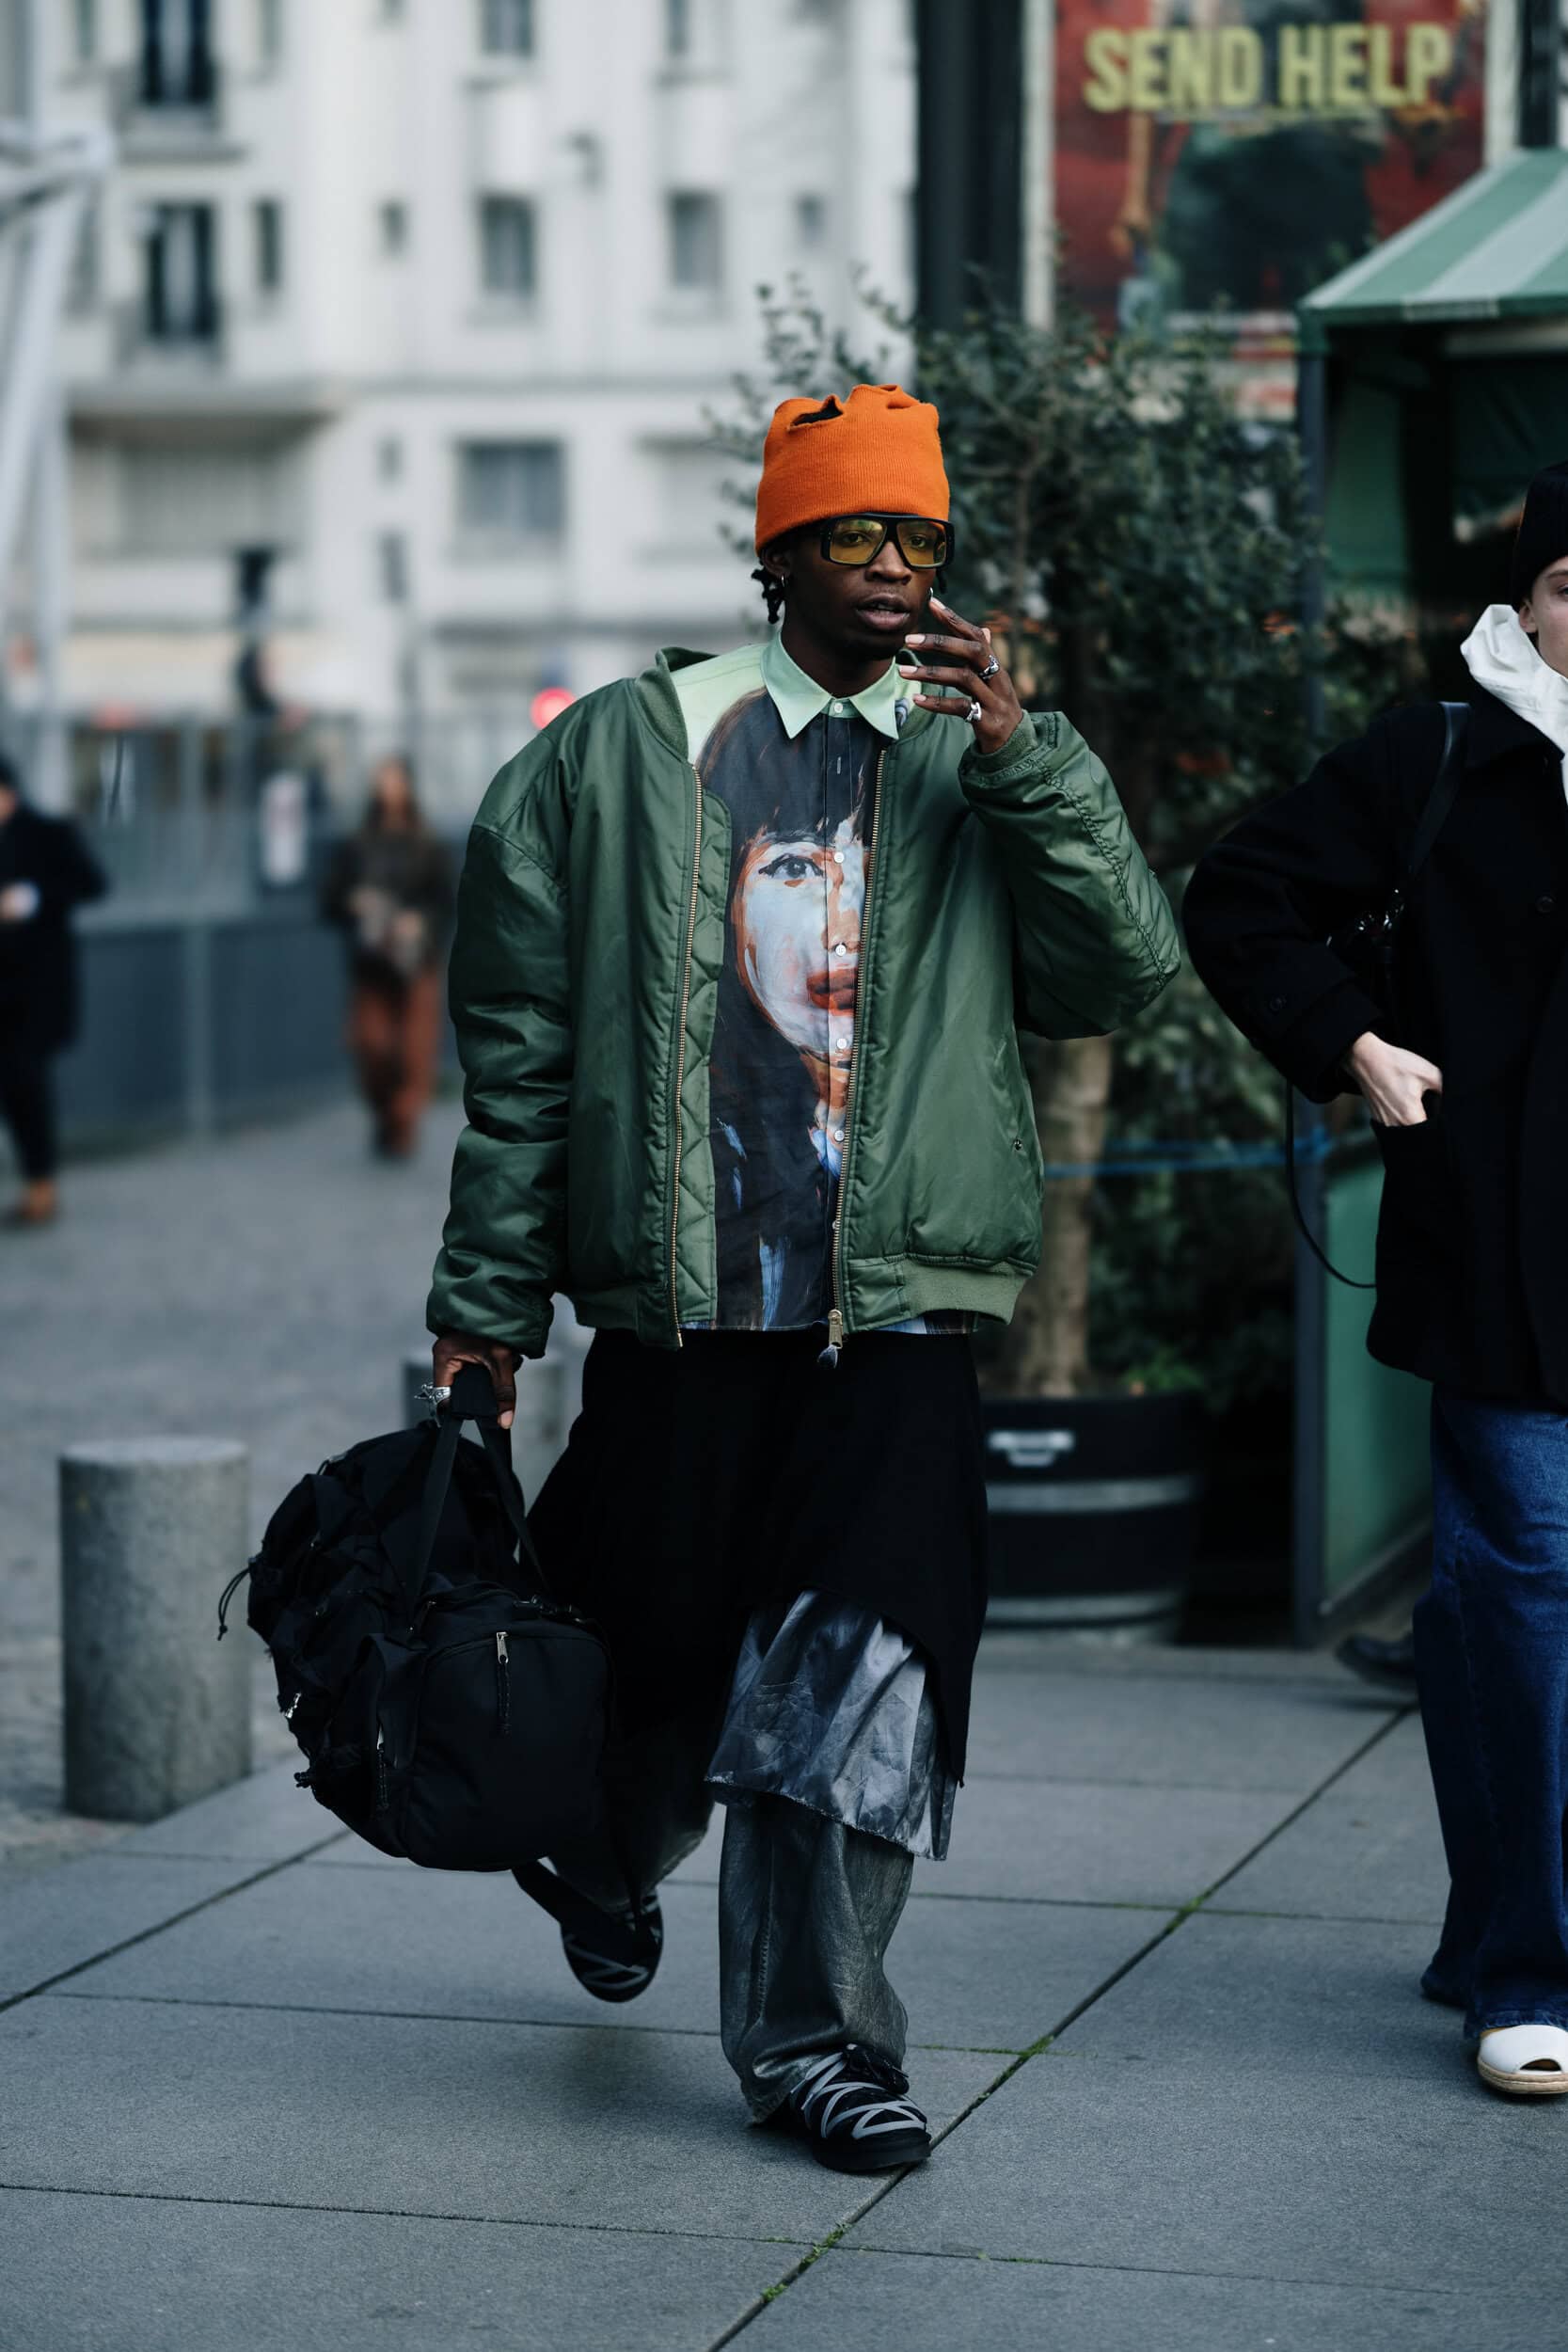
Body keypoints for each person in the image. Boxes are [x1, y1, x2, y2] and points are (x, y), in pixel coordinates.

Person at [428, 382, 1180, 2169]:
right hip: (684, 1311)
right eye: (857, 534)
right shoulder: (617, 751)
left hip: (896, 1313)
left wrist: (1035, 765)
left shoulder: (976, 755)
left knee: (856, 1681)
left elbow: (1117, 975)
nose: (896, 569)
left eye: (920, 537)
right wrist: (482, 1313)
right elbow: (519, 1057)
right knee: (656, 1652)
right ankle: (606, 1852)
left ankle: (819, 2047)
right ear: (779, 553)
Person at [1184, 458, 1568, 2100]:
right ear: (1530, 598)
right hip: (1506, 1258)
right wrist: (1349, 1042)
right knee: (1532, 1600)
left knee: (1496, 1610)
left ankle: (1490, 1920)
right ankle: (1527, 1970)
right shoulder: (1437, 754)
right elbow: (1239, 897)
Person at [321, 755, 455, 1159]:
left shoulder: (428, 845)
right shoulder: (357, 844)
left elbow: (447, 901)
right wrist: (355, 904)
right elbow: (329, 900)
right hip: (371, 963)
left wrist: (419, 923)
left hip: (416, 963)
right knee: (372, 1045)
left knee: (414, 1052)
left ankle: (402, 1125)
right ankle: (387, 1116)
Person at [0, 751, 106, 1230]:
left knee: (26, 1082)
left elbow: (93, 884)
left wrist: (35, 897)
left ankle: (41, 1183)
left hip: (34, 988)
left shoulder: (49, 832)